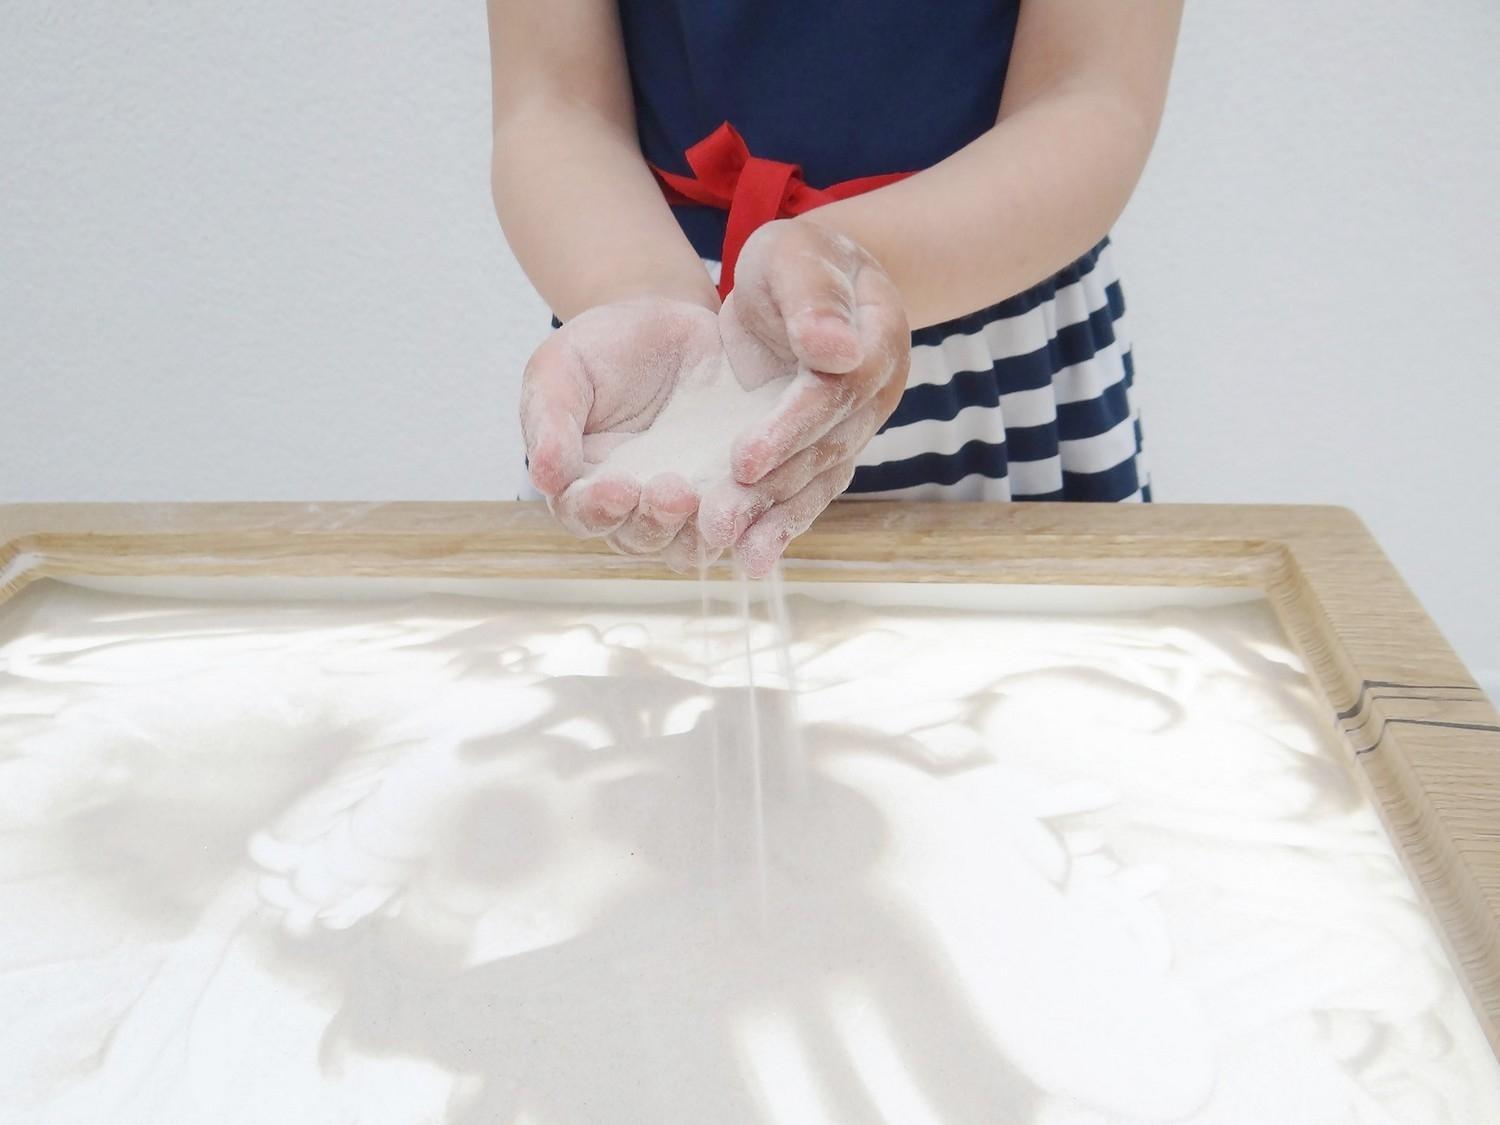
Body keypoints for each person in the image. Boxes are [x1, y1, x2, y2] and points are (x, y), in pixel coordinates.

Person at [488, 1, 1183, 575]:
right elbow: (554, 102)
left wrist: (841, 267)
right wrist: (636, 289)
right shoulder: (646, 331)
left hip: (993, 333)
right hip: (647, 344)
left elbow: (1092, 96)